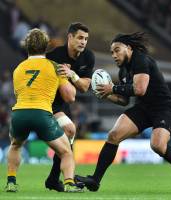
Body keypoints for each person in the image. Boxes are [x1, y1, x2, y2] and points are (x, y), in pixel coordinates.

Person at [75, 32, 171, 192]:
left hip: (163, 108)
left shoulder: (140, 59)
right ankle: (95, 180)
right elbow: (123, 101)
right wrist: (107, 94)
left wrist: (112, 88)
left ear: (129, 48)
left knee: (157, 145)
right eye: (112, 52)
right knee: (113, 136)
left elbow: (140, 89)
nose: (114, 55)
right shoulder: (123, 71)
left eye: (117, 50)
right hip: (143, 109)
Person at [5, 28, 82, 193]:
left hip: (19, 113)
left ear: (27, 46)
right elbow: (70, 97)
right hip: (42, 114)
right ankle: (68, 183)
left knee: (15, 145)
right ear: (47, 46)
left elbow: (17, 93)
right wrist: (69, 77)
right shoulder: (54, 66)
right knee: (66, 152)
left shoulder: (18, 68)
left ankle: (11, 182)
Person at [45, 22, 95, 192]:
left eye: (86, 39)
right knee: (68, 132)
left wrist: (72, 74)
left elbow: (85, 86)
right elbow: (69, 93)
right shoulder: (53, 56)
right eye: (80, 37)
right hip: (46, 100)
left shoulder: (88, 57)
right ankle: (62, 178)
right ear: (70, 37)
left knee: (69, 132)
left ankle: (55, 179)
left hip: (61, 103)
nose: (83, 42)